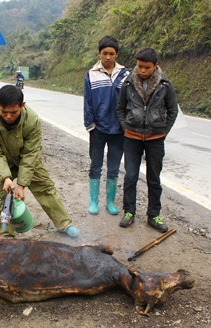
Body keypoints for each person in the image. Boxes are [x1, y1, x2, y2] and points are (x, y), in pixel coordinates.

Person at [0, 85, 79, 238]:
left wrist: (22, 185)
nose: (8, 116)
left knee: (45, 188)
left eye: (13, 112)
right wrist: (5, 177)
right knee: (0, 195)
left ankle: (64, 223)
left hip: (27, 158)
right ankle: (6, 234)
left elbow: (31, 153)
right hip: (2, 161)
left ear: (22, 106)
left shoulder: (32, 119)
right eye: (4, 112)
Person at [116, 48, 178, 232]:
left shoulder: (165, 85)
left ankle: (154, 215)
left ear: (155, 66)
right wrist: (126, 128)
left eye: (147, 67)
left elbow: (172, 111)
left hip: (155, 139)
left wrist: (163, 131)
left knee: (154, 179)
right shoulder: (128, 83)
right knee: (130, 177)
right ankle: (129, 212)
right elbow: (120, 108)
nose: (142, 70)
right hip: (132, 138)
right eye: (140, 66)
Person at [83, 35, 130, 216]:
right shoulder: (91, 74)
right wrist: (90, 124)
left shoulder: (126, 74)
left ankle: (110, 201)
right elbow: (88, 102)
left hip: (119, 129)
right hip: (98, 129)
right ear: (100, 53)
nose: (108, 57)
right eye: (105, 53)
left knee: (114, 166)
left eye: (111, 53)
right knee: (95, 165)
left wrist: (127, 124)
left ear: (117, 54)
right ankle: (93, 200)